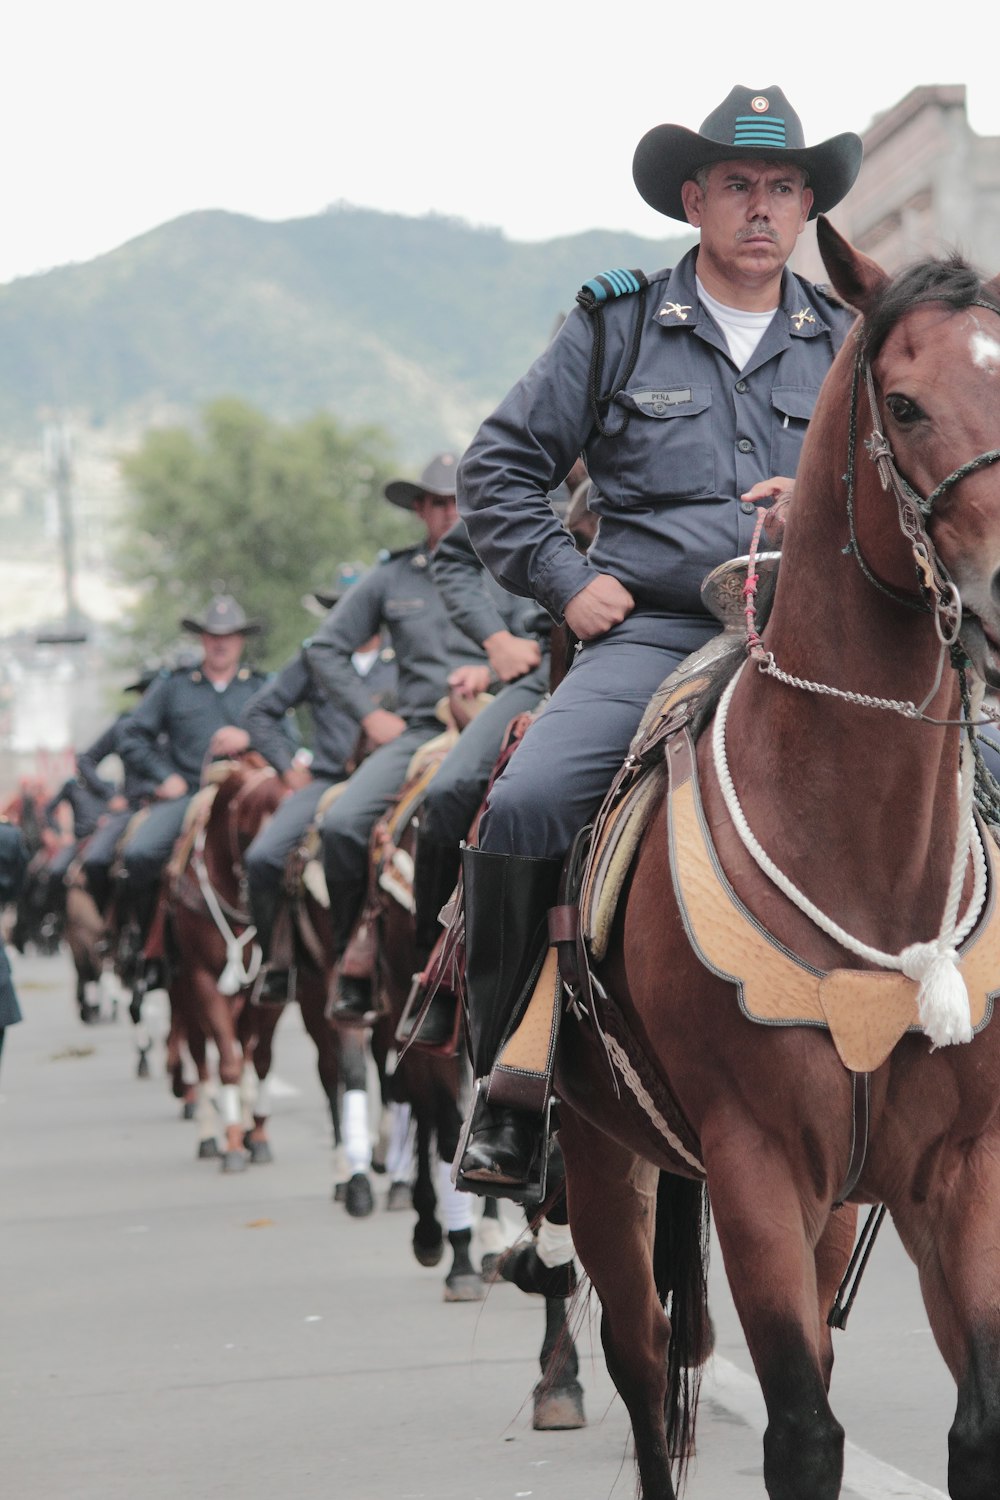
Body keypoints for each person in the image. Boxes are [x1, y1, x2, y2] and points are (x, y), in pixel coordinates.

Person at [454, 84, 864, 1193]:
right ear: (693, 199)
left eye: (783, 187)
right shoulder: (616, 321)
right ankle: (508, 1087)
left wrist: (822, 500)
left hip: (817, 638)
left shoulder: (851, 340)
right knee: (531, 799)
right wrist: (567, 584)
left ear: (807, 207)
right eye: (737, 184)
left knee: (982, 780)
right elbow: (496, 472)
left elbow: (912, 486)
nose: (761, 207)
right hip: (656, 632)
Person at [305, 452, 487, 1023]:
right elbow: (325, 650)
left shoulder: (509, 564)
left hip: (501, 722)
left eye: (458, 500)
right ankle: (353, 962)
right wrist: (368, 715)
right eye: (437, 503)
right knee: (339, 824)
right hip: (420, 732)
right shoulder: (391, 577)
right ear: (420, 509)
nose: (450, 512)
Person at [236, 566, 397, 999]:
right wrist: (288, 768)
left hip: (398, 778)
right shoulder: (316, 658)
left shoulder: (406, 653)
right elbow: (259, 712)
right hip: (328, 781)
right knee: (263, 858)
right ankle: (276, 964)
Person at [115, 595, 271, 988]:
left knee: (291, 855)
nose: (221, 643)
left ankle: (285, 955)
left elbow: (288, 736)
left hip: (246, 798)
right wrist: (163, 776)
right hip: (190, 795)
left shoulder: (262, 686)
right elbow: (132, 735)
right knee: (139, 852)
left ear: (240, 641)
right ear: (202, 640)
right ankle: (150, 948)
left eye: (230, 636)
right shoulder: (174, 686)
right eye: (213, 635)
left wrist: (249, 736)